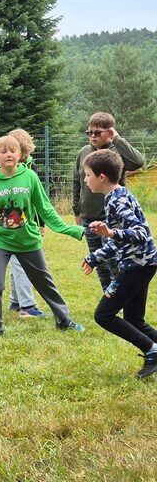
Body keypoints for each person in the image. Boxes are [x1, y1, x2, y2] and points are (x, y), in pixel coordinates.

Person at [0, 135, 85, 335]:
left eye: (12, 151)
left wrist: (71, 229)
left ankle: (64, 320)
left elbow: (46, 210)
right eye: (3, 151)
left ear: (20, 154)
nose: (8, 154)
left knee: (44, 283)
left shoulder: (30, 177)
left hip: (28, 240)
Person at [81, 149, 157, 379]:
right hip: (144, 263)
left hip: (136, 266)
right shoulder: (116, 195)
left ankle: (152, 351)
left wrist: (110, 232)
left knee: (103, 315)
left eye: (88, 175)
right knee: (134, 319)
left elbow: (140, 233)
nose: (85, 179)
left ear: (102, 177)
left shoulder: (117, 201)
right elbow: (120, 240)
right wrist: (94, 257)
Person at [73, 112, 144, 291]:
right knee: (99, 264)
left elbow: (138, 162)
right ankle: (108, 296)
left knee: (115, 262)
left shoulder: (116, 152)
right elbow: (77, 182)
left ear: (110, 132)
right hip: (89, 217)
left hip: (111, 219)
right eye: (89, 132)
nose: (92, 136)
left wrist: (118, 139)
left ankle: (121, 297)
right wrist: (77, 210)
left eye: (97, 132)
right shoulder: (84, 152)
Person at [7, 128, 46, 318]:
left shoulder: (31, 168)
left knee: (17, 261)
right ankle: (27, 306)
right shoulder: (6, 169)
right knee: (20, 262)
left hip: (28, 221)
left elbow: (38, 198)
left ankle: (16, 302)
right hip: (11, 220)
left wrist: (41, 223)